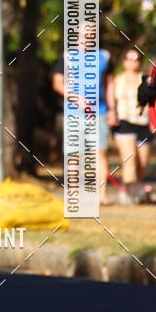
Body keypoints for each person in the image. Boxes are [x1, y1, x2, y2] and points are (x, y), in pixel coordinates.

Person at [52, 24, 115, 205]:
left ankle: (101, 196)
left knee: (99, 154)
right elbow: (57, 83)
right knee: (73, 155)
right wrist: (75, 98)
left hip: (99, 114)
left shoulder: (105, 56)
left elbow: (109, 84)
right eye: (84, 33)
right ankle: (74, 193)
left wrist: (112, 110)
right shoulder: (67, 57)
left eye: (91, 34)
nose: (87, 37)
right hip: (73, 114)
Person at [111, 48, 152, 203]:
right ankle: (128, 194)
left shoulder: (148, 80)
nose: (132, 61)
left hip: (144, 123)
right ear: (124, 61)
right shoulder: (117, 79)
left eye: (135, 59)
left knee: (142, 163)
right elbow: (111, 100)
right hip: (125, 122)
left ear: (140, 62)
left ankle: (136, 191)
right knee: (130, 159)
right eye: (128, 58)